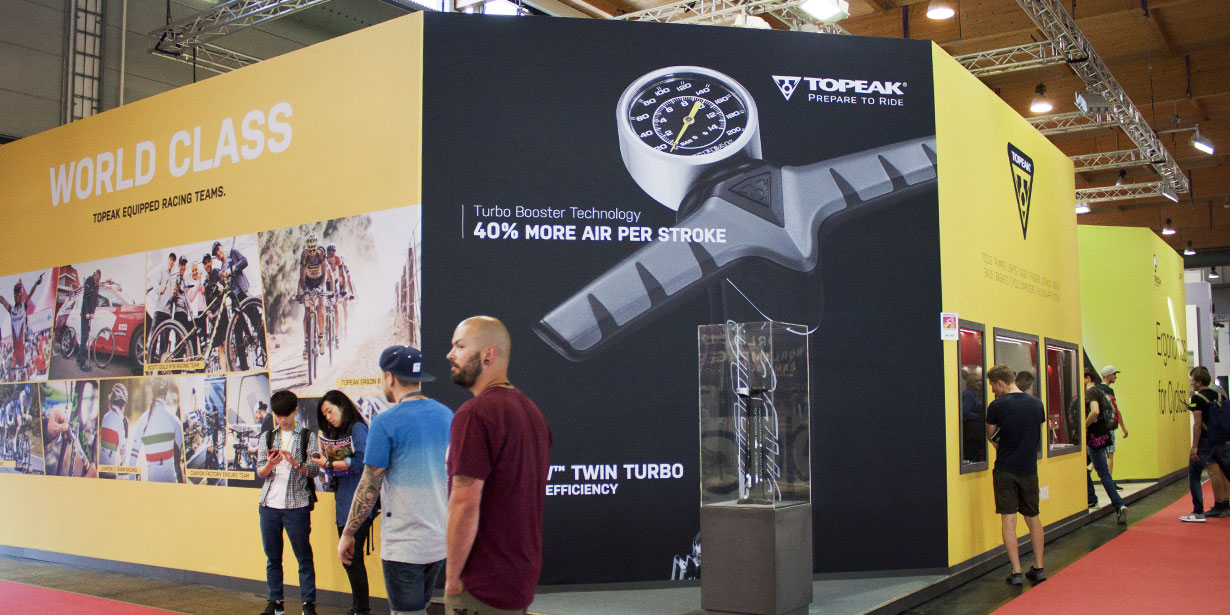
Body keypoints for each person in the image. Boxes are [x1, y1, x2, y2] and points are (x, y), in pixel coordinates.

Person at [444, 316, 552, 614]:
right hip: (519, 577)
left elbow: (465, 503)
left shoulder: (474, 414)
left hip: (482, 584)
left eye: (460, 346)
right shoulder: (532, 412)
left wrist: (451, 579)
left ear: (488, 355)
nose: (450, 355)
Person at [338, 346, 451, 615]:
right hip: (438, 542)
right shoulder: (447, 415)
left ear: (389, 377)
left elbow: (369, 486)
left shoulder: (385, 422)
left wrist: (348, 533)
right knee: (421, 608)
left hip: (404, 546)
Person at [258, 390, 321, 615]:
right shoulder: (267, 437)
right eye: (278, 415)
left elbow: (314, 470)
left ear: (295, 410)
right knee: (273, 557)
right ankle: (275, 602)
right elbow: (260, 471)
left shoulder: (307, 436)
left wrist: (295, 463)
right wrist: (270, 464)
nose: (282, 419)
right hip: (269, 505)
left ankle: (308, 604)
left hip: (297, 505)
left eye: (286, 414)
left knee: (303, 556)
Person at [311, 391, 375, 615]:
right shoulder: (337, 433)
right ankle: (358, 607)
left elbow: (362, 461)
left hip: (358, 503)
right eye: (324, 415)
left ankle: (362, 609)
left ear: (342, 406)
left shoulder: (357, 428)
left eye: (330, 411)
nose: (328, 417)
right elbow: (334, 468)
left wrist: (330, 463)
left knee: (353, 559)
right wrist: (326, 463)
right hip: (343, 501)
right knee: (348, 560)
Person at [985, 364, 1046, 586]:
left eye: (993, 386)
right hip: (1029, 469)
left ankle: (1017, 571)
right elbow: (1038, 434)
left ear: (1001, 383)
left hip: (1005, 470)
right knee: (1033, 517)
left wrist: (1001, 443)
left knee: (1008, 520)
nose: (993, 390)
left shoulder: (996, 406)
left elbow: (991, 435)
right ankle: (1038, 567)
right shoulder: (1037, 404)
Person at [1180, 366, 1230, 522]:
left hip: (1205, 441)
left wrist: (1195, 446)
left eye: (1193, 381)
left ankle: (1198, 512)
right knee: (1227, 472)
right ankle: (1221, 505)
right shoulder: (1219, 395)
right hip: (1221, 439)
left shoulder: (1197, 398)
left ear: (1199, 382)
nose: (1192, 383)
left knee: (1194, 475)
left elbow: (1197, 423)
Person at [1084, 369, 1126, 518]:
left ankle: (1092, 498)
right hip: (1103, 435)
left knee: (1088, 469)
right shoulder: (1102, 392)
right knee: (1103, 473)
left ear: (1088, 378)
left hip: (1092, 437)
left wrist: (1084, 426)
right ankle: (1118, 505)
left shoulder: (1090, 392)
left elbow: (1095, 411)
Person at [127, 379, 184, 483]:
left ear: (153, 393)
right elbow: (184, 453)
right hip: (171, 481)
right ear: (165, 394)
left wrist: (131, 480)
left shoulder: (143, 419)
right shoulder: (174, 419)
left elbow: (133, 456)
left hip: (153, 482)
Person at [0, 272, 46, 379]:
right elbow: (2, 300)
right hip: (15, 348)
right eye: (15, 293)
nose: (17, 295)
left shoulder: (23, 306)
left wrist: (36, 283)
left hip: (21, 347)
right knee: (10, 371)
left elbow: (30, 295)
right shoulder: (11, 309)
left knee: (23, 374)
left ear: (21, 295)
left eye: (19, 293)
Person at [297, 232, 332, 360]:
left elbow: (325, 274)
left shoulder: (321, 253)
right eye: (309, 249)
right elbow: (301, 279)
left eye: (313, 249)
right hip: (308, 281)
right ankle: (306, 343)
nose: (311, 252)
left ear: (316, 248)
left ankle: (321, 337)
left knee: (320, 306)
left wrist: (321, 287)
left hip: (319, 281)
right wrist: (305, 290)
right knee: (307, 311)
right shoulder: (304, 255)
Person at [1098, 365, 1128, 477]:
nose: (1116, 377)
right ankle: (1109, 481)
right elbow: (1115, 410)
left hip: (1097, 426)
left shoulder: (1095, 389)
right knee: (1109, 454)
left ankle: (1089, 471)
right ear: (1109, 376)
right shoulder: (1109, 390)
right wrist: (1123, 428)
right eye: (1114, 374)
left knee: (1098, 453)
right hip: (1108, 426)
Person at [98, 383, 130, 478]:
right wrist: (123, 462)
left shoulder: (105, 417)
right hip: (109, 469)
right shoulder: (119, 420)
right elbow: (122, 449)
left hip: (100, 465)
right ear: (123, 403)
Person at [325, 245, 355, 342]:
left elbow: (343, 276)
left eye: (332, 254)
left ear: (335, 253)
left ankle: (336, 335)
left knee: (336, 307)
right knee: (324, 305)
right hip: (326, 283)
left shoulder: (338, 261)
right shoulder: (324, 261)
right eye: (329, 254)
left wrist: (343, 290)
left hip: (335, 282)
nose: (330, 256)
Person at [77, 269, 101, 372]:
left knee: (86, 336)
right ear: (94, 275)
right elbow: (85, 298)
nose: (96, 283)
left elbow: (95, 300)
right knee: (84, 337)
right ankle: (82, 363)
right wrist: (86, 312)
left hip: (89, 314)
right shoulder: (89, 280)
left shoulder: (97, 285)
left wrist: (92, 313)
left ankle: (79, 358)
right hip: (84, 313)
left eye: (98, 281)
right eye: (96, 281)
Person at [961, 371, 985, 465]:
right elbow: (965, 412)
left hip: (976, 431)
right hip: (971, 431)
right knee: (972, 453)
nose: (979, 383)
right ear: (970, 382)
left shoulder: (975, 394)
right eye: (976, 381)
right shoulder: (968, 394)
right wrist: (979, 416)